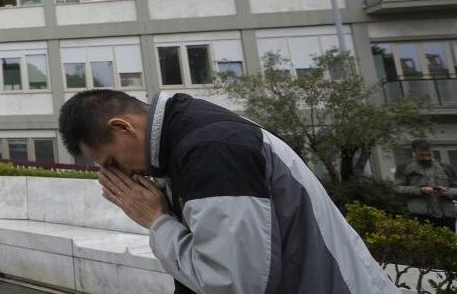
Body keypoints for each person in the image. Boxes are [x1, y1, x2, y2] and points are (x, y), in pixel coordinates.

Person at [59, 89, 398, 294]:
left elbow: (231, 283)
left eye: (113, 162)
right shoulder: (188, 139)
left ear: (122, 127)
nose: (119, 174)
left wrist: (157, 221)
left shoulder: (211, 151)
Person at [394, 139, 457, 230]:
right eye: (422, 155)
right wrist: (420, 190)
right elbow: (397, 188)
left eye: (429, 155)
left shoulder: (446, 166)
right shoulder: (404, 167)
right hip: (420, 216)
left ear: (432, 151)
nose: (426, 158)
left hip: (447, 216)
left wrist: (449, 192)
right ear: (414, 152)